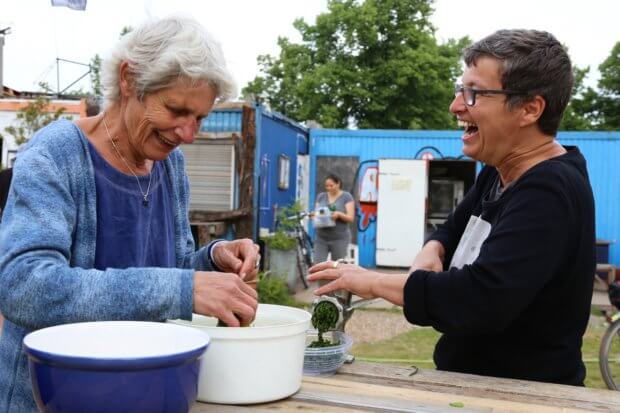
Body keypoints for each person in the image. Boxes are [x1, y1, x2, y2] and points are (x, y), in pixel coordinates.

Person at [0, 16, 260, 411]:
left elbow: (162, 270)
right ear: (129, 79)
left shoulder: (170, 167)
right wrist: (184, 288)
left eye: (200, 118)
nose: (189, 134)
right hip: (55, 400)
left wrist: (210, 264)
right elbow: (25, 288)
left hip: (147, 394)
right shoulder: (55, 156)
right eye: (176, 109)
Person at [309, 29, 595, 386]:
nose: (456, 105)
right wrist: (434, 247)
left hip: (521, 394)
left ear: (529, 109)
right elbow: (451, 229)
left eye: (474, 92)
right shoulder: (498, 170)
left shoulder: (548, 189)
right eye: (460, 90)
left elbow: (478, 300)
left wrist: (372, 281)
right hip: (475, 385)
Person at [312, 174, 355, 263]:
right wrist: (314, 216)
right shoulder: (321, 196)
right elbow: (317, 212)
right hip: (321, 237)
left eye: (331, 185)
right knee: (318, 265)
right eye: (327, 186)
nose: (329, 188)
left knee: (337, 266)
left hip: (339, 238)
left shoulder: (346, 197)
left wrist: (339, 214)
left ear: (338, 184)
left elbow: (350, 218)